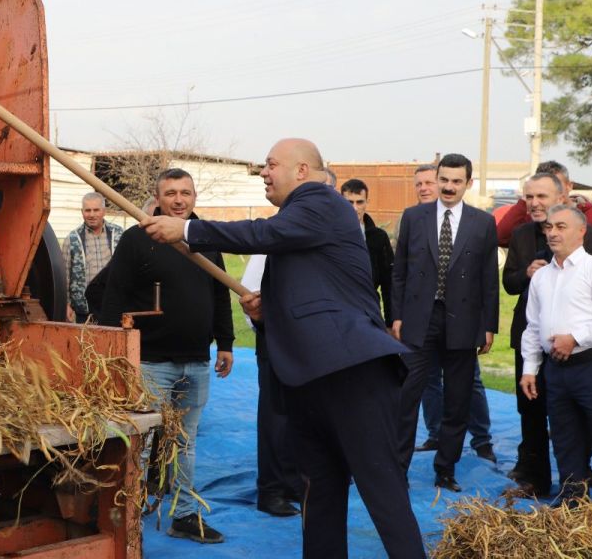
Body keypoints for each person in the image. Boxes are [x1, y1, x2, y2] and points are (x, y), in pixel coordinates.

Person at [142, 139, 425, 559]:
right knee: (320, 490)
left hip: (352, 374)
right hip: (311, 380)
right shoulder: (299, 222)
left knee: (381, 489)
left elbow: (262, 233)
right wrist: (266, 312)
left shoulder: (322, 201)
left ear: (302, 171)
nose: (263, 172)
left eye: (271, 164)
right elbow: (315, 295)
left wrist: (185, 230)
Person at [98, 169, 234, 544]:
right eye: (170, 193)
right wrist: (111, 348)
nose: (178, 199)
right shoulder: (137, 239)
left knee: (185, 443)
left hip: (196, 360)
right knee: (139, 445)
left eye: (185, 192)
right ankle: (128, 520)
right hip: (150, 362)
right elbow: (113, 294)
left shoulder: (205, 238)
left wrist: (225, 342)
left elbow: (220, 293)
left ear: (194, 197)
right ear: (157, 199)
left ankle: (185, 515)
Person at [391, 153, 498, 492]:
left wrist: (489, 325)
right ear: (436, 179)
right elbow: (399, 271)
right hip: (418, 319)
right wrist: (396, 315)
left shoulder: (483, 223)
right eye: (444, 180)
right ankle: (396, 470)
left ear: (468, 183)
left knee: (457, 399)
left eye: (456, 181)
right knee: (407, 397)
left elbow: (488, 278)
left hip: (463, 321)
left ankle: (446, 470)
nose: (449, 187)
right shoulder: (413, 217)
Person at [503, 172, 592, 497]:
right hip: (530, 336)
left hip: (575, 343)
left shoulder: (588, 234)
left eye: (542, 196)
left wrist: (578, 335)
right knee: (531, 409)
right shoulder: (521, 234)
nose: (534, 203)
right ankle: (534, 478)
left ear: (561, 198)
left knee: (577, 411)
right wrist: (527, 273)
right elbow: (509, 283)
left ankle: (579, 475)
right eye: (529, 197)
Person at [520, 204, 592, 503]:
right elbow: (533, 325)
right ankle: (572, 499)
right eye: (549, 227)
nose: (552, 233)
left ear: (581, 231)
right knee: (564, 436)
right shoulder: (541, 276)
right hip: (555, 369)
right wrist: (530, 368)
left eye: (561, 227)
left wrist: (575, 338)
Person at [242, 254, 302, 517]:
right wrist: (262, 325)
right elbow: (250, 294)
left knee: (300, 419)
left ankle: (292, 483)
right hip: (275, 343)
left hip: (307, 345)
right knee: (275, 419)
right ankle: (271, 490)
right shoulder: (268, 247)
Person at [497, 159, 592, 256]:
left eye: (556, 185)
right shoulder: (533, 218)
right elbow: (501, 238)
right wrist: (526, 197)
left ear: (569, 186)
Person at [340, 178, 394, 326]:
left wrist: (390, 322)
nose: (355, 208)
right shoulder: (329, 235)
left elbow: (388, 283)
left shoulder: (378, 238)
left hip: (369, 312)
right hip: (338, 313)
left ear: (366, 202)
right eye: (349, 202)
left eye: (359, 202)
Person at [62, 192, 123, 322]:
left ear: (104, 211)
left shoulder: (119, 235)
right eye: (87, 210)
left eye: (96, 210)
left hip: (113, 309)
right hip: (84, 312)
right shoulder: (72, 239)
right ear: (82, 212)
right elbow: (64, 275)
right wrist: (65, 304)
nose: (92, 215)